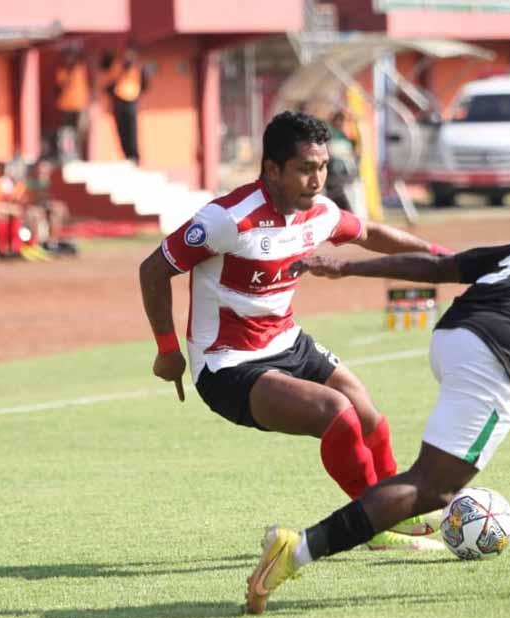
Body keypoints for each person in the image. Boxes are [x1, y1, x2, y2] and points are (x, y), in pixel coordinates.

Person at [243, 218, 510, 615]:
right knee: (432, 487)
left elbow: (443, 266)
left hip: (452, 335)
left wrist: (348, 266)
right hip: (498, 360)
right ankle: (296, 550)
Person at [138, 110, 455, 551]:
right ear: (271, 169)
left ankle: (402, 506)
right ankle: (375, 525)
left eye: (323, 166)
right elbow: (153, 270)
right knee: (337, 414)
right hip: (228, 365)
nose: (318, 178)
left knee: (369, 418)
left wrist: (442, 258)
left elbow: (371, 235)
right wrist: (167, 350)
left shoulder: (319, 212)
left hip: (288, 341)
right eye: (306, 168)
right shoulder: (227, 220)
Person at [103, 47, 147, 163]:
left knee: (131, 129)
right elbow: (110, 83)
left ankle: (134, 156)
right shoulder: (118, 66)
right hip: (119, 100)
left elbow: (144, 84)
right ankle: (126, 155)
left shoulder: (138, 68)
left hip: (131, 100)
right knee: (121, 129)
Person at [55, 49, 90, 161]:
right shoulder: (62, 71)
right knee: (67, 132)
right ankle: (68, 154)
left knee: (79, 130)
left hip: (80, 105)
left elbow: (84, 58)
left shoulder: (80, 69)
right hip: (66, 106)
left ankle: (78, 154)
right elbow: (60, 85)